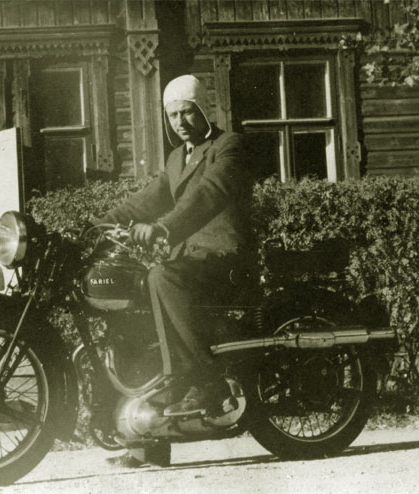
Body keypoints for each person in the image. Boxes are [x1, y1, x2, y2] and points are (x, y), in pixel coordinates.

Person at [96, 74, 252, 418]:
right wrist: (97, 224)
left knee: (162, 277)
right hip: (191, 260)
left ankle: (207, 382)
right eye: (172, 115)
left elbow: (210, 193)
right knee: (139, 284)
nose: (180, 122)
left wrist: (163, 227)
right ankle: (160, 391)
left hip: (224, 259)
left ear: (203, 109)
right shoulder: (177, 158)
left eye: (187, 112)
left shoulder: (229, 145)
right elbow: (147, 199)